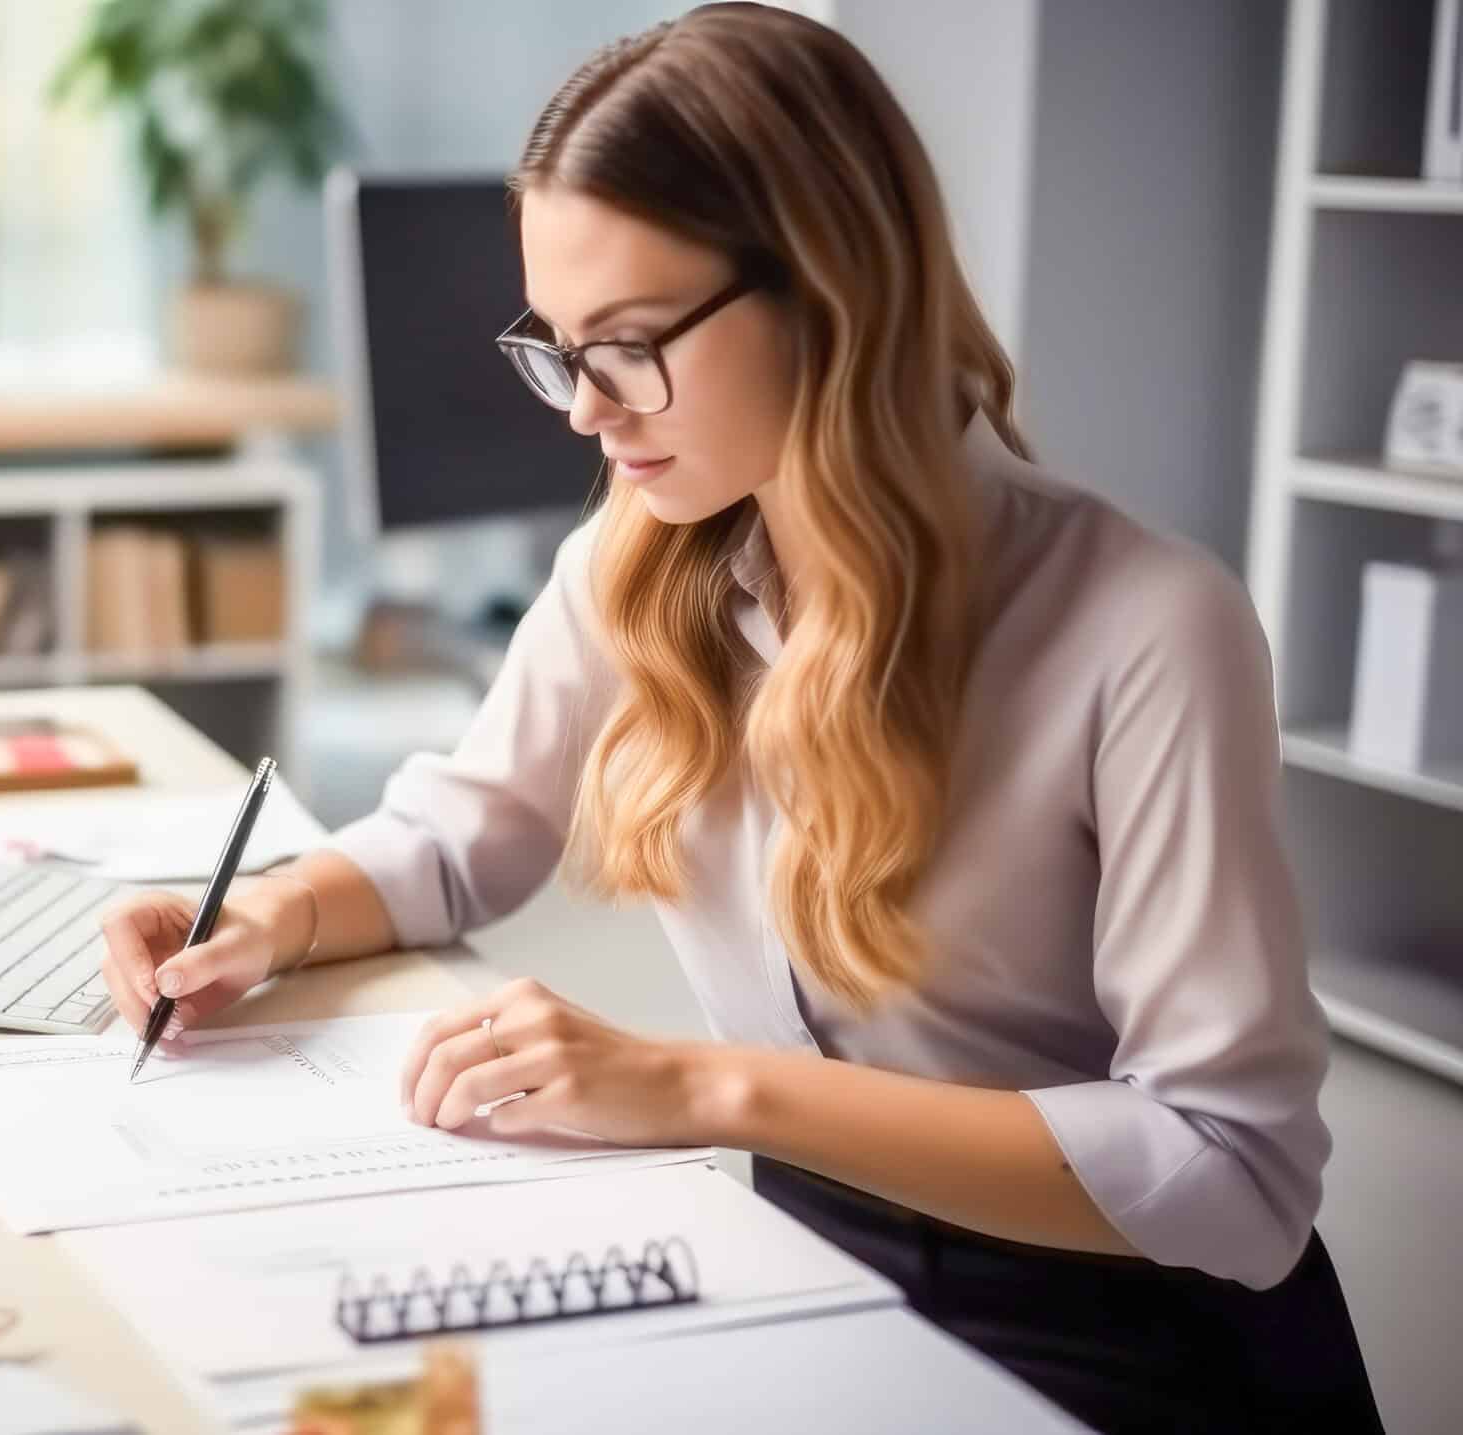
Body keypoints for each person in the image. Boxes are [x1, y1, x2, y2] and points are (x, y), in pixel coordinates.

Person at [95, 6, 1381, 1431]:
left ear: (829, 294)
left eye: (630, 347)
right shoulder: (649, 554)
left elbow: (1234, 1175)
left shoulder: (1146, 625)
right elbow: (457, 842)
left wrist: (704, 1086)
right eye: (560, 349)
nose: (584, 413)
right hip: (817, 1280)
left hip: (1128, 1345)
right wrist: (266, 920)